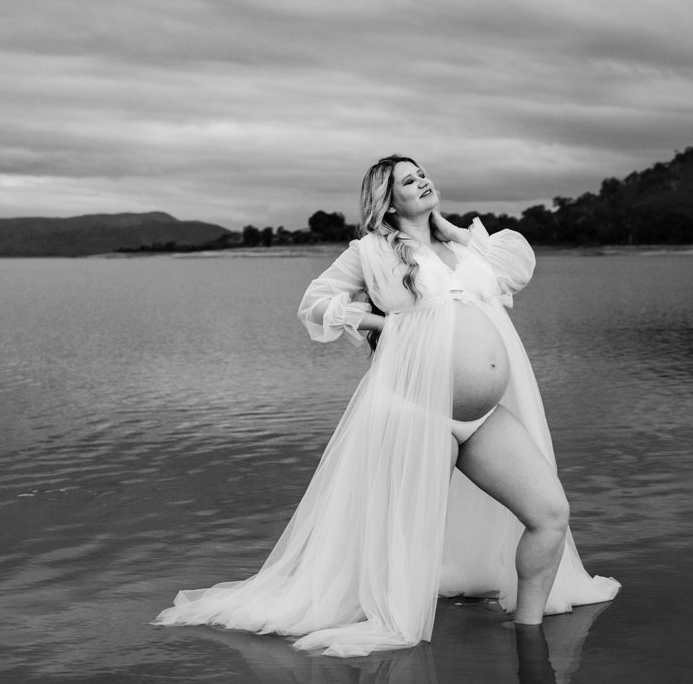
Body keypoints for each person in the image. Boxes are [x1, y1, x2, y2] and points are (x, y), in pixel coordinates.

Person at [153, 155, 618, 657]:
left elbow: (516, 268)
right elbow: (315, 301)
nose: (422, 181)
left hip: (482, 417)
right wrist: (384, 326)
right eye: (408, 180)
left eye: (422, 174)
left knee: (550, 513)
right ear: (387, 201)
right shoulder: (371, 251)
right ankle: (406, 639)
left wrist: (453, 231)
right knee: (414, 537)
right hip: (418, 412)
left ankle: (529, 638)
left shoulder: (464, 246)